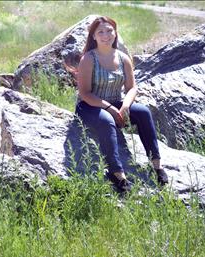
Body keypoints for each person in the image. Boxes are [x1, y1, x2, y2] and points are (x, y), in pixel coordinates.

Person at [70, 16, 168, 192]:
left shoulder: (123, 58)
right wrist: (110, 109)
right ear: (93, 36)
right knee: (107, 120)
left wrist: (124, 107)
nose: (105, 35)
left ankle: (157, 166)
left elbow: (132, 88)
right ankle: (117, 175)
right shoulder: (88, 59)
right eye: (100, 31)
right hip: (89, 106)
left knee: (144, 112)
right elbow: (84, 93)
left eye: (109, 31)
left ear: (115, 33)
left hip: (116, 102)